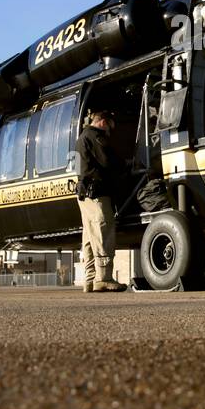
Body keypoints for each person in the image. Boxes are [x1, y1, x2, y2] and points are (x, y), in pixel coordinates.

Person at [75, 108, 127, 293]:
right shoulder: (95, 136)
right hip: (97, 192)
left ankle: (89, 280)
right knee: (103, 229)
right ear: (103, 122)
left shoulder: (82, 137)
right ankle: (104, 278)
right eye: (109, 128)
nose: (109, 133)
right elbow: (107, 161)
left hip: (84, 193)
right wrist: (125, 164)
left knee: (89, 236)